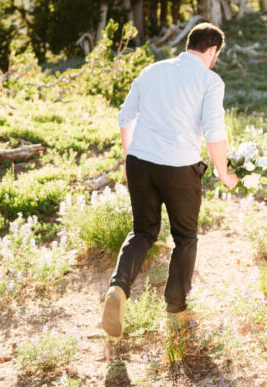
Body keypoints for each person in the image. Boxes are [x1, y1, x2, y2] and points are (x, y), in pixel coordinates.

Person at [101, 22, 239, 338]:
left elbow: (125, 117)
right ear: (213, 50)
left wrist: (129, 159)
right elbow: (215, 132)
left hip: (140, 162)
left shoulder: (152, 71)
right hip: (179, 168)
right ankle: (176, 313)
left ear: (189, 44)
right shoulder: (210, 81)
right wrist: (223, 173)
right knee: (185, 237)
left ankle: (118, 289)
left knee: (143, 232)